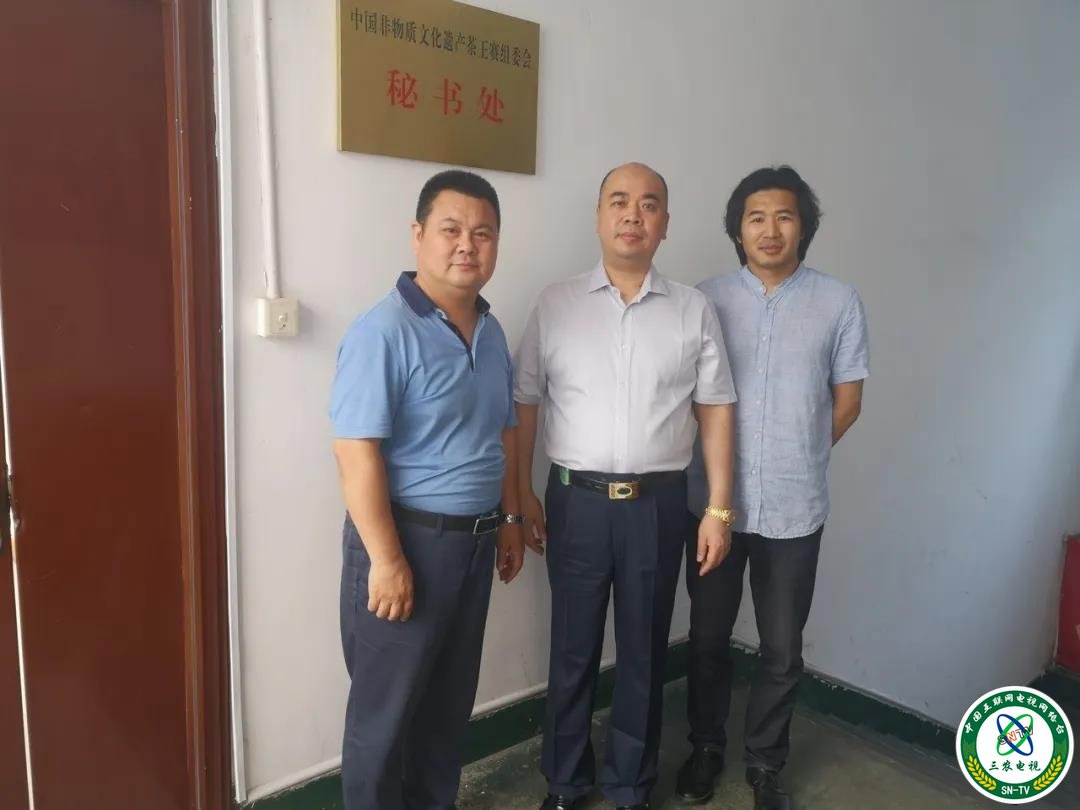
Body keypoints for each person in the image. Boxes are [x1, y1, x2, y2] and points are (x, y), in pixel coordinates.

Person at [514, 162, 737, 810]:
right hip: (575, 502)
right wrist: (520, 492)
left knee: (643, 651)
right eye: (619, 201)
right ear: (598, 216)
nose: (632, 215)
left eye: (648, 204)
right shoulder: (556, 304)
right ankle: (565, 782)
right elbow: (525, 402)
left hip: (656, 507)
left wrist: (718, 508)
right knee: (572, 648)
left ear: (665, 224)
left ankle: (630, 785)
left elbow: (716, 408)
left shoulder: (693, 309)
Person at [329, 169, 526, 810]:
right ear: (418, 235)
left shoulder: (491, 332)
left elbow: (503, 432)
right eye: (451, 229)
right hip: (406, 544)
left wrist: (511, 519)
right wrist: (387, 561)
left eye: (483, 233)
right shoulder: (382, 330)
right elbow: (355, 453)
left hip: (474, 545)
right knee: (383, 721)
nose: (467, 245)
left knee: (446, 708)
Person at [676, 166, 869, 810]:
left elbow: (847, 401)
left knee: (782, 649)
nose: (770, 229)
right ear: (737, 229)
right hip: (714, 507)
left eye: (784, 216)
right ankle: (706, 748)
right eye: (755, 217)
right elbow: (689, 398)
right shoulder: (705, 300)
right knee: (707, 638)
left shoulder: (838, 301)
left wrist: (799, 450)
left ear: (803, 227)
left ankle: (764, 764)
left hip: (794, 507)